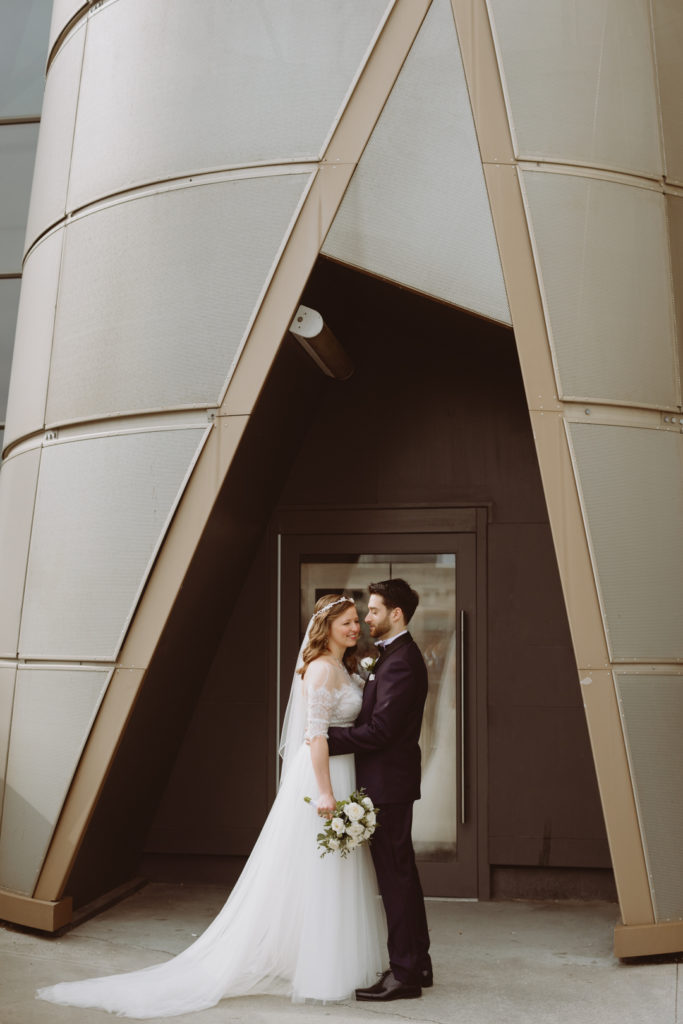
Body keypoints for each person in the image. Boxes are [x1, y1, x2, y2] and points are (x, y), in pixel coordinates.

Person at [37, 595, 387, 1018]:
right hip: (322, 778)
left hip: (343, 773)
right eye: (348, 622)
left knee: (337, 870)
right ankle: (320, 972)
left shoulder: (344, 667)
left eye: (357, 622)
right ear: (327, 626)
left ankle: (329, 961)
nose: (356, 628)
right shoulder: (318, 670)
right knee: (321, 870)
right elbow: (315, 737)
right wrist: (327, 793)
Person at [327, 578, 433, 1002]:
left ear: (396, 614)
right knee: (401, 874)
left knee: (395, 878)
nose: (366, 619)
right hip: (390, 782)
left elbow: (382, 731)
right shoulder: (390, 657)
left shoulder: (402, 660)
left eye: (372, 611)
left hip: (387, 785)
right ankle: (417, 964)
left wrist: (328, 740)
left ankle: (404, 974)